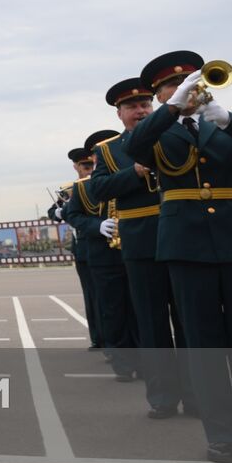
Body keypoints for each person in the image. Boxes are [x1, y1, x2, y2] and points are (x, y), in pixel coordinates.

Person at [124, 51, 232, 463]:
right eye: (172, 86)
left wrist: (227, 118)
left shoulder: (224, 124)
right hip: (187, 244)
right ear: (164, 94)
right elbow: (133, 147)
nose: (189, 90)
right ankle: (221, 436)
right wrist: (171, 108)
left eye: (192, 84)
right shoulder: (157, 129)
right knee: (203, 344)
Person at [86, 79, 196, 418]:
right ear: (120, 114)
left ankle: (197, 396)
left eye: (145, 104)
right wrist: (133, 172)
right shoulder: (108, 150)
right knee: (151, 323)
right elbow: (99, 189)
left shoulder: (177, 134)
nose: (141, 110)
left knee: (190, 322)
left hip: (180, 235)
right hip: (141, 240)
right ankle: (162, 398)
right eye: (132, 107)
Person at [65, 130, 138, 382]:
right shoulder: (83, 188)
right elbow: (72, 215)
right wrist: (97, 226)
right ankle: (122, 363)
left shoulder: (130, 175)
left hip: (136, 249)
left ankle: (145, 358)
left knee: (141, 307)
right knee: (112, 308)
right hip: (102, 255)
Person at [51, 147, 103, 351]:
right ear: (76, 167)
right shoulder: (73, 188)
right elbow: (53, 211)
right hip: (82, 249)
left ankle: (113, 339)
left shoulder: (100, 182)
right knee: (91, 295)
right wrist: (59, 212)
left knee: (107, 296)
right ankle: (98, 338)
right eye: (84, 166)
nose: (88, 169)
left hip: (105, 244)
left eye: (91, 165)